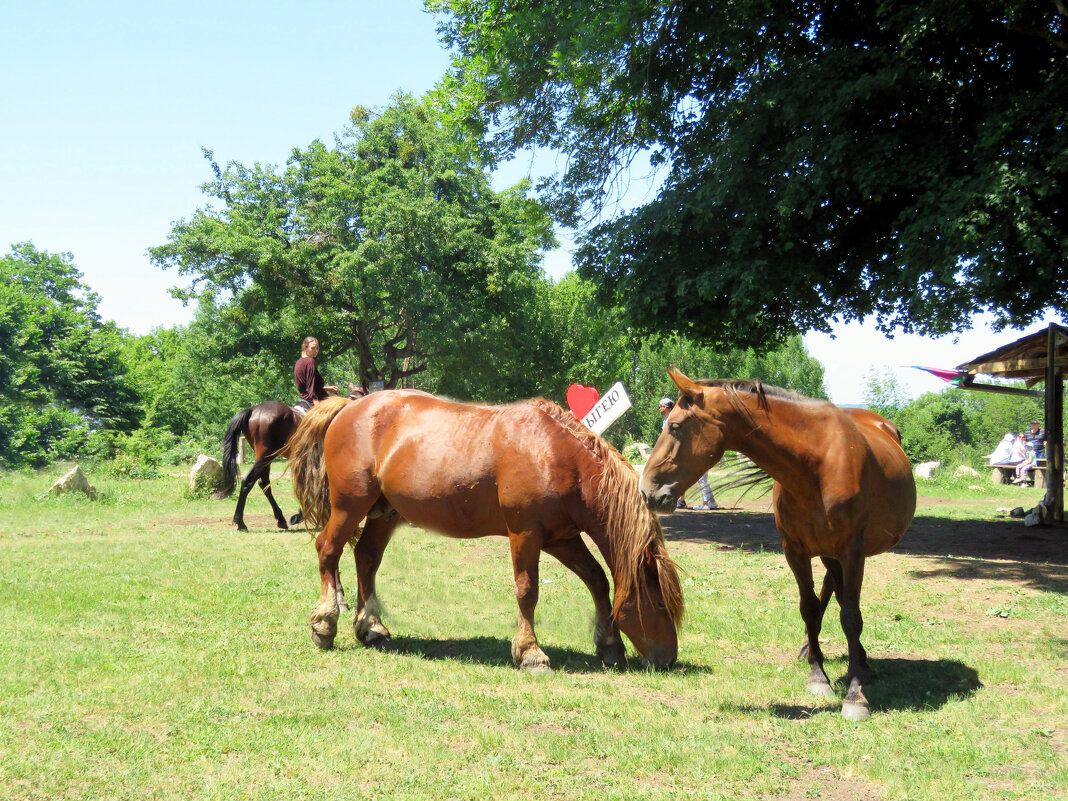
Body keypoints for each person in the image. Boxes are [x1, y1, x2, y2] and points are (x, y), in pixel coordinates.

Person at [658, 397, 718, 510]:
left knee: (699, 477)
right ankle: (710, 502)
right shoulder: (670, 420)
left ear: (665, 407)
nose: (659, 409)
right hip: (689, 452)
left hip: (694, 452)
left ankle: (706, 503)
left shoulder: (675, 419)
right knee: (698, 477)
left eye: (660, 406)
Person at [294, 337, 338, 408]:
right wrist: (316, 404)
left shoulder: (299, 362)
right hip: (314, 400)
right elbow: (310, 387)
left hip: (303, 398)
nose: (316, 351)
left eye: (317, 348)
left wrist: (326, 388)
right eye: (313, 348)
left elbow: (307, 385)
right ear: (305, 347)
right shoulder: (310, 361)